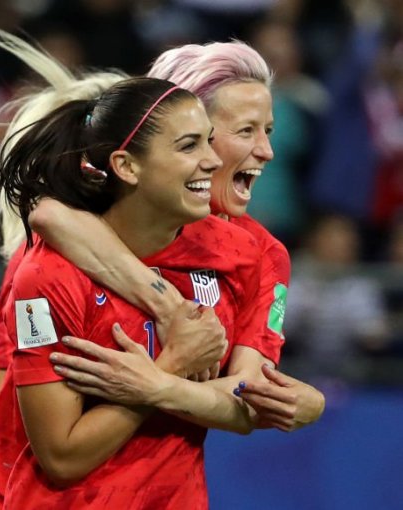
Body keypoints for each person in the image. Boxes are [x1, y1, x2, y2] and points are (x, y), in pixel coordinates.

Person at [0, 76, 263, 508]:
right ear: (127, 166)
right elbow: (61, 456)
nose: (212, 161)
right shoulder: (46, 277)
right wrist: (172, 366)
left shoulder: (237, 254)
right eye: (188, 145)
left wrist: (156, 384)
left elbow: (248, 401)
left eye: (210, 141)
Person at [30, 40, 326, 433]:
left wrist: (157, 385)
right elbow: (47, 214)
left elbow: (249, 393)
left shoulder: (262, 254)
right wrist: (168, 307)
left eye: (268, 130)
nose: (267, 150)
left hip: (168, 491)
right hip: (29, 486)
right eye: (246, 130)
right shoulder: (82, 226)